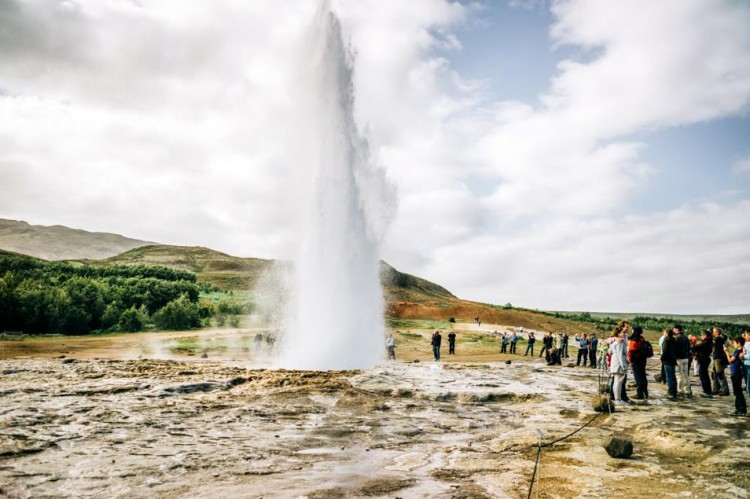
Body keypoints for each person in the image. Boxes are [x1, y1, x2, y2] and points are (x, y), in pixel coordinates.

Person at [723, 336, 747, 416]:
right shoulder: (740, 351)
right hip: (738, 373)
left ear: (739, 344)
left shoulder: (738, 351)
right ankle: (742, 409)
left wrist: (726, 352)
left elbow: (730, 360)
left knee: (737, 392)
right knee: (738, 391)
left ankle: (739, 409)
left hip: (736, 373)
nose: (733, 344)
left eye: (734, 343)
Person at [609, 328, 630, 405]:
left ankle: (617, 399)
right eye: (622, 332)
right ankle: (618, 400)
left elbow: (610, 351)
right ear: (618, 333)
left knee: (617, 381)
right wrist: (624, 365)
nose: (624, 334)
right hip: (619, 363)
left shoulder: (614, 342)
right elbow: (620, 355)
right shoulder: (619, 342)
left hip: (615, 362)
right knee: (618, 382)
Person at [627, 326, 649, 400]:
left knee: (638, 378)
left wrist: (631, 361)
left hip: (636, 360)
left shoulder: (635, 340)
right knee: (643, 376)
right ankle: (645, 392)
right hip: (643, 359)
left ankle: (639, 394)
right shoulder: (641, 338)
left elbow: (632, 351)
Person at [693, 329, 714, 397]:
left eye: (702, 335)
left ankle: (707, 391)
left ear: (705, 335)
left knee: (703, 376)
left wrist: (692, 342)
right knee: (704, 375)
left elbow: (695, 348)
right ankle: (707, 390)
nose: (701, 336)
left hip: (704, 359)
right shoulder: (708, 341)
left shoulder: (706, 342)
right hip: (705, 359)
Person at [674, 325, 692, 398]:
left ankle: (680, 390)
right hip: (686, 358)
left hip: (679, 358)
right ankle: (687, 390)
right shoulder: (686, 338)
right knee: (686, 375)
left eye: (674, 329)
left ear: (677, 329)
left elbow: (675, 348)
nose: (673, 330)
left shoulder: (677, 338)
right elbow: (689, 347)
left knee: (679, 375)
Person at [711, 327, 730, 396]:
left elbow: (713, 345)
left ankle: (725, 390)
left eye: (714, 331)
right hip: (717, 358)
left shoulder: (718, 338)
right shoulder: (721, 338)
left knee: (719, 374)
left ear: (717, 332)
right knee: (715, 374)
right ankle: (715, 389)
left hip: (718, 358)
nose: (712, 332)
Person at [661, 329, 678, 400]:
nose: (663, 333)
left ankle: (670, 392)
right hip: (673, 360)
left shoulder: (666, 340)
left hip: (667, 360)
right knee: (673, 376)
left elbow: (665, 351)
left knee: (669, 377)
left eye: (664, 332)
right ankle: (674, 391)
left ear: (667, 333)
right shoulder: (674, 340)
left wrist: (662, 358)